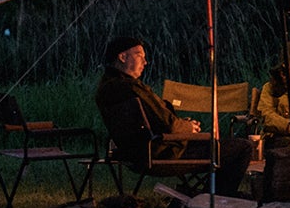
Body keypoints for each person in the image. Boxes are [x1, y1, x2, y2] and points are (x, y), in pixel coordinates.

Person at [93, 35, 251, 196]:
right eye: (140, 55)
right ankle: (213, 202)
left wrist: (181, 124)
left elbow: (157, 121)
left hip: (135, 154)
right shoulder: (131, 87)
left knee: (222, 147)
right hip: (162, 152)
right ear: (122, 56)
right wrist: (188, 127)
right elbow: (170, 125)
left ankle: (202, 199)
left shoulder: (105, 88)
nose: (145, 62)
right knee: (242, 147)